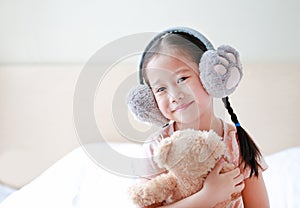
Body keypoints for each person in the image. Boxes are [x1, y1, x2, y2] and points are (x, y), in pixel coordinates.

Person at [127, 27, 269, 208]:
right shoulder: (157, 149)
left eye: (182, 78)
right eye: (161, 89)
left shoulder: (237, 142)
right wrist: (207, 196)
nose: (174, 95)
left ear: (211, 76)